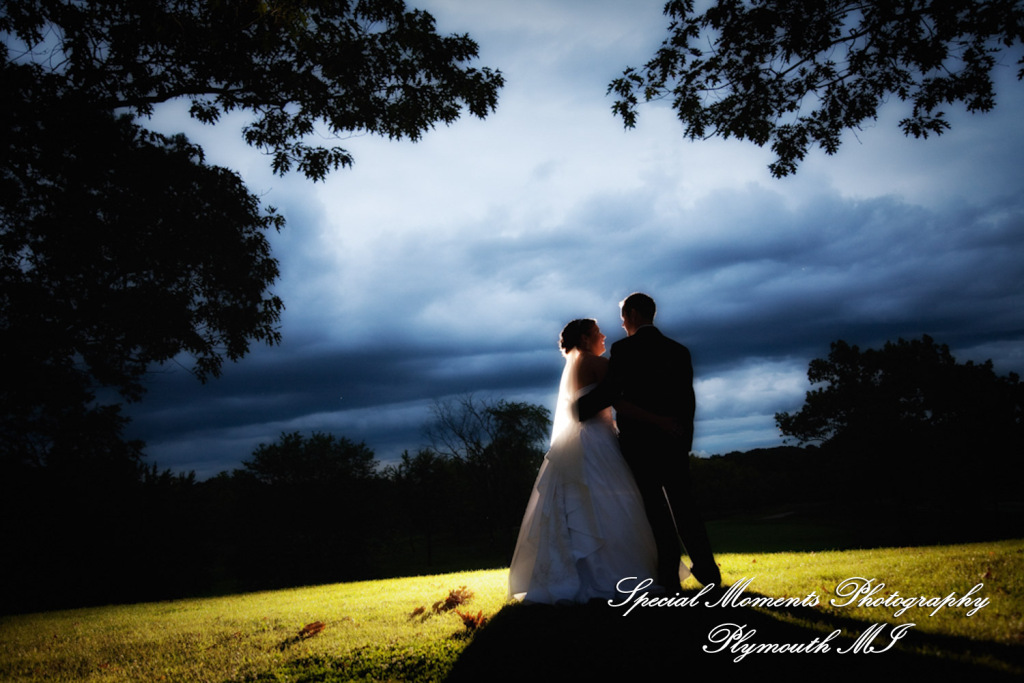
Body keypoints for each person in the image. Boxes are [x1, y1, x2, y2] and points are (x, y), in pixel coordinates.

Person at [508, 318, 681, 604]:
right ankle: (617, 573)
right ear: (586, 339)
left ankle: (575, 572)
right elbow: (621, 401)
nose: (604, 336)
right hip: (598, 441)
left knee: (581, 508)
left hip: (581, 440)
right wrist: (660, 420)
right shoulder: (596, 364)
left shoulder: (576, 366)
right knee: (612, 504)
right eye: (598, 332)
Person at [577, 293, 720, 592]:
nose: (621, 321)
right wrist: (684, 438)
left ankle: (668, 576)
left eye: (623, 315)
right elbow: (687, 401)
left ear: (631, 313)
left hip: (639, 443)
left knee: (656, 510)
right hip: (674, 441)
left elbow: (611, 393)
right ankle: (708, 571)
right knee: (685, 506)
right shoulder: (678, 351)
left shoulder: (624, 349)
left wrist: (577, 409)